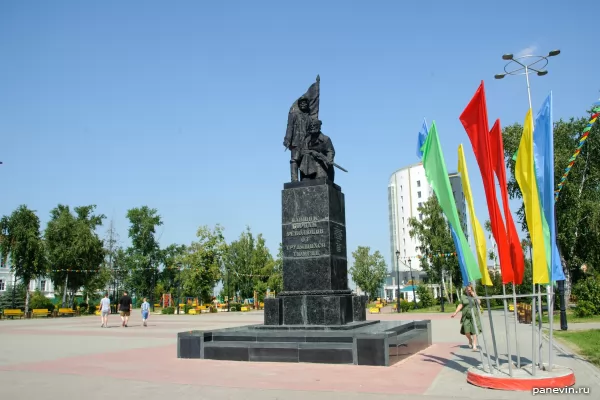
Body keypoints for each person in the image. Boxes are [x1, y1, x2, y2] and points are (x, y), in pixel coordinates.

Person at [284, 96, 312, 182]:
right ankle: (294, 179)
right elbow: (290, 127)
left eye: (305, 103)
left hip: (306, 143)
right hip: (296, 142)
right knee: (294, 160)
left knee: (305, 160)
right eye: (301, 103)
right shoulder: (294, 115)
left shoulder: (309, 118)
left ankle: (304, 178)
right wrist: (287, 139)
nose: (303, 104)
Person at [451, 284, 482, 350]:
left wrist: (474, 296)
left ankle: (474, 344)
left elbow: (479, 303)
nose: (469, 291)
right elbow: (460, 305)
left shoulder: (474, 295)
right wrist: (455, 313)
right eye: (467, 290)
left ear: (472, 289)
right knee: (466, 330)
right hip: (466, 315)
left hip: (474, 315)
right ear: (465, 290)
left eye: (470, 290)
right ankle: (470, 340)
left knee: (474, 330)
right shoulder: (463, 297)